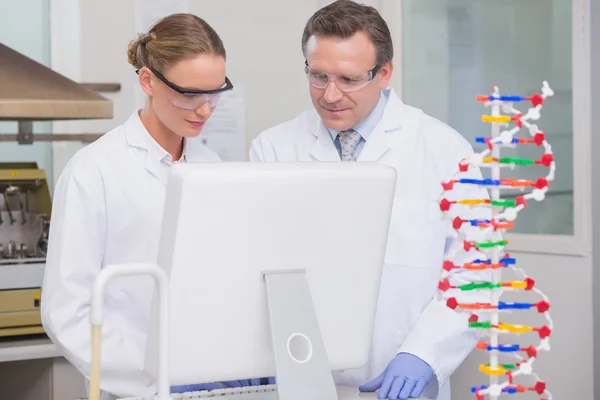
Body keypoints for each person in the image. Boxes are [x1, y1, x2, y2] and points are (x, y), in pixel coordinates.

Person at [249, 1, 489, 400]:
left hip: (402, 381)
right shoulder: (273, 149)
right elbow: (253, 269)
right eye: (318, 75)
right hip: (299, 381)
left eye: (348, 78)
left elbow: (477, 271)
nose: (330, 94)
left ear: (384, 73)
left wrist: (425, 355)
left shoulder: (444, 151)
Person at [41, 13, 252, 400]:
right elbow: (67, 311)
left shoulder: (213, 170)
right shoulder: (94, 172)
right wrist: (158, 375)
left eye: (215, 93)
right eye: (189, 94)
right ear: (147, 81)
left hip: (212, 386)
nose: (205, 110)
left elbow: (224, 285)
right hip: (134, 390)